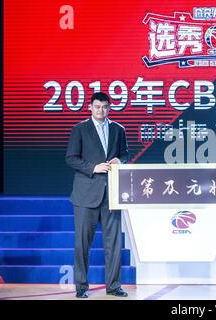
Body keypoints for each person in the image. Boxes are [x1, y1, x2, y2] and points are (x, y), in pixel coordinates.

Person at [66, 92, 129, 298]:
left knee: (113, 244)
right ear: (90, 108)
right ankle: (81, 287)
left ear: (109, 108)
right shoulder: (80, 129)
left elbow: (125, 155)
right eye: (97, 106)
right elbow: (71, 158)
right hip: (86, 195)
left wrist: (120, 161)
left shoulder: (118, 129)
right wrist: (94, 167)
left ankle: (114, 286)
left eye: (104, 107)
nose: (101, 110)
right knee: (82, 244)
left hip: (112, 194)